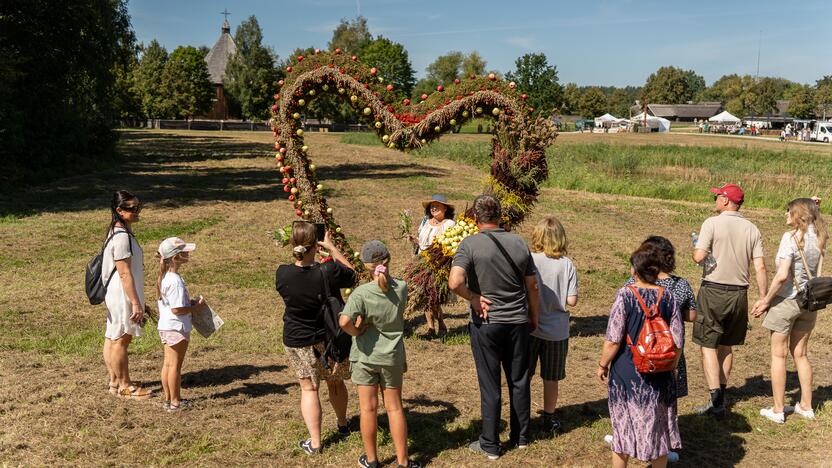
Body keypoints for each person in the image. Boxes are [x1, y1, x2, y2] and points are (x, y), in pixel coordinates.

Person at [448, 195, 540, 460]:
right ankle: (521, 436)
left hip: (486, 322)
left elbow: (455, 282)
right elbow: (532, 285)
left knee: (490, 384)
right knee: (519, 379)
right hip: (517, 321)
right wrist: (534, 315)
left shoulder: (470, 244)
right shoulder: (519, 242)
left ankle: (490, 443)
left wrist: (474, 297)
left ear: (475, 218)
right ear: (500, 216)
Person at [598, 243, 683, 468]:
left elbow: (613, 339)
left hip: (627, 373)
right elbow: (678, 341)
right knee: (659, 431)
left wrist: (602, 364)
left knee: (623, 429)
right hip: (661, 373)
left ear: (634, 270)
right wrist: (671, 366)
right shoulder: (669, 297)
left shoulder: (625, 295)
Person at [276, 221, 356, 454]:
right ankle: (342, 424)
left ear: (292, 243)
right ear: (315, 245)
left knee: (308, 388)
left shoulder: (282, 273)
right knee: (335, 382)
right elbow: (352, 275)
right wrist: (332, 248)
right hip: (328, 338)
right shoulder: (328, 271)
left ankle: (316, 442)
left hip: (296, 338)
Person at [339, 241, 421, 468]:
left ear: (366, 266)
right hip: (392, 356)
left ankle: (372, 460)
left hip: (365, 357)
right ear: (389, 260)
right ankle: (403, 461)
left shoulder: (361, 293)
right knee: (394, 407)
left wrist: (357, 331)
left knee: (368, 409)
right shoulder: (402, 287)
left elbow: (344, 321)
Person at [692, 184, 767, 419]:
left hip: (713, 290)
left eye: (717, 196)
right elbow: (760, 266)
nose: (715, 199)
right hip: (739, 294)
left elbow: (699, 257)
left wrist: (697, 248)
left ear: (725, 200)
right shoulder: (752, 229)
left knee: (707, 345)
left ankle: (715, 401)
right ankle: (721, 396)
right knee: (727, 346)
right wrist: (763, 298)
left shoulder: (711, 223)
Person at [752, 198, 828, 423]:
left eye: (789, 212)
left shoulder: (790, 238)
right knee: (801, 354)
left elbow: (783, 274)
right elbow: (814, 216)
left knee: (778, 354)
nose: (786, 215)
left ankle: (778, 409)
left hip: (787, 301)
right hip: (809, 302)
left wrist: (766, 300)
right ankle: (806, 405)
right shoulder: (820, 236)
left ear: (798, 215)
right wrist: (813, 205)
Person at [528, 216, 578, 434]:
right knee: (551, 377)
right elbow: (571, 301)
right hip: (557, 331)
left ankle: (521, 416)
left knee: (524, 374)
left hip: (530, 327)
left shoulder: (530, 260)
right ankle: (549, 418)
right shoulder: (567, 265)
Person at [101, 190, 151, 398]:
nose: (137, 211)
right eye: (132, 208)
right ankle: (125, 385)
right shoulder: (121, 237)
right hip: (122, 294)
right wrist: (136, 303)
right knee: (122, 338)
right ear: (119, 210)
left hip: (116, 292)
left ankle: (114, 381)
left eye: (139, 207)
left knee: (112, 336)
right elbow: (124, 273)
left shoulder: (118, 231)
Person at [156, 237, 203, 412]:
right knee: (175, 365)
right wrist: (195, 307)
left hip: (166, 326)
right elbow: (177, 309)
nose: (188, 253)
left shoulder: (166, 278)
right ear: (175, 257)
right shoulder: (175, 281)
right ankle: (175, 402)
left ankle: (168, 399)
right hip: (177, 327)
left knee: (168, 364)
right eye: (184, 251)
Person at [409, 194, 456, 337]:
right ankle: (430, 328)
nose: (434, 208)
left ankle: (441, 324)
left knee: (433, 296)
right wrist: (414, 241)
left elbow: (450, 243)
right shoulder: (425, 222)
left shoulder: (449, 224)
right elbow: (422, 243)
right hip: (422, 262)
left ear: (445, 208)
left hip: (438, 264)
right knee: (424, 295)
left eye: (437, 205)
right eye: (432, 206)